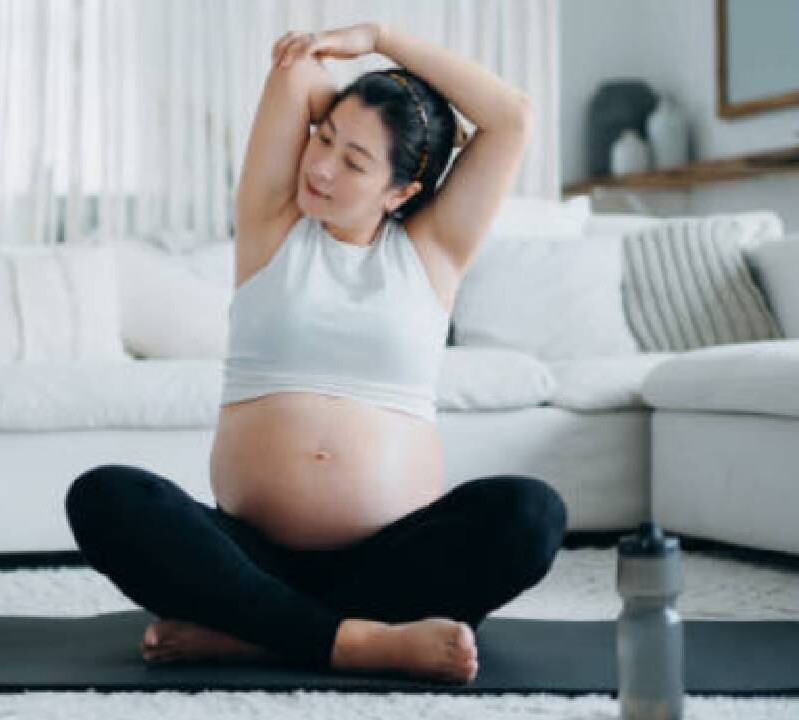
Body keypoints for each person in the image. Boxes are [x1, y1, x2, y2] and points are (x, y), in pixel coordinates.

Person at [65, 21, 566, 685]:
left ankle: (261, 635)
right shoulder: (272, 223)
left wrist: (383, 36)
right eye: (324, 135)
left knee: (531, 514)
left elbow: (511, 118)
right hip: (248, 555)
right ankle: (357, 643)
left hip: (392, 561)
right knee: (105, 498)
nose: (321, 165)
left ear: (401, 192)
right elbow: (298, 72)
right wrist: (353, 67)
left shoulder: (433, 251)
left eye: (354, 162)